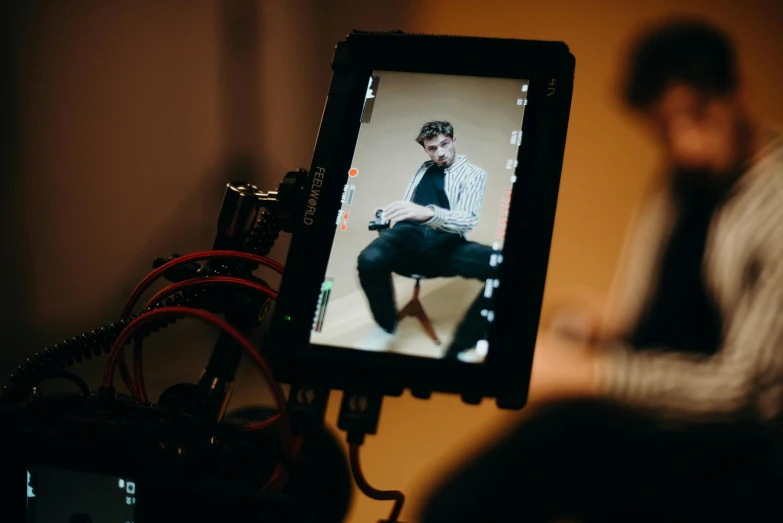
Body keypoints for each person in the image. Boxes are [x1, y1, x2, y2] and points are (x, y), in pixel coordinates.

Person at [421, 18, 783, 523]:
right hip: (646, 408)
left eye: (698, 116)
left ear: (737, 91)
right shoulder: (681, 180)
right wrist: (597, 323)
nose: (683, 146)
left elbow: (744, 392)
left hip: (728, 447)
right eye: (662, 128)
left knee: (470, 501)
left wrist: (592, 375)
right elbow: (655, 309)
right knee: (460, 494)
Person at [357, 121, 495, 356]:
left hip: (446, 243)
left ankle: (460, 348)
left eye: (444, 144)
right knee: (369, 259)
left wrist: (430, 213)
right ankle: (386, 328)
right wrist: (392, 211)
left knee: (502, 265)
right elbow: (410, 202)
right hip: (406, 234)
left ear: (454, 141)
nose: (440, 153)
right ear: (426, 150)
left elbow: (467, 220)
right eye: (432, 148)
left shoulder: (473, 175)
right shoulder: (423, 168)